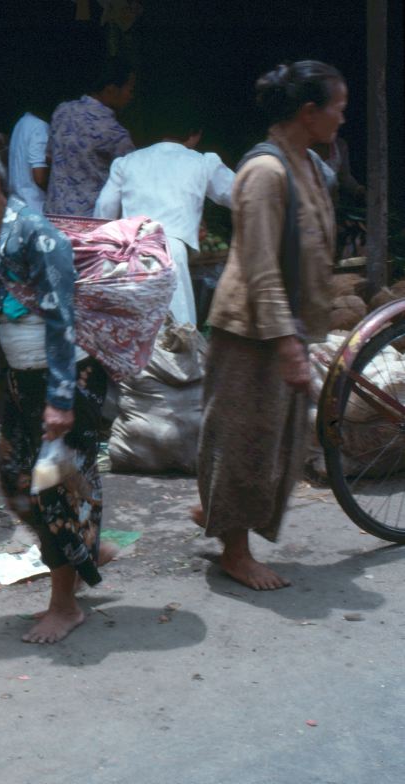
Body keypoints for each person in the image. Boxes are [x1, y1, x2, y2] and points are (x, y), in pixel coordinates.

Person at [0, 135, 114, 643]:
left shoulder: (40, 237)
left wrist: (61, 401)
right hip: (19, 380)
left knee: (53, 490)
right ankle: (85, 546)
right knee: (17, 482)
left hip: (63, 379)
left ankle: (65, 605)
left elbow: (62, 323)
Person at [196, 60, 344, 590]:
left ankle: (216, 512)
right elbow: (259, 264)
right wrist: (287, 343)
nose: (341, 120)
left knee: (273, 438)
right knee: (245, 439)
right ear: (309, 112)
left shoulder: (303, 161)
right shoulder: (266, 171)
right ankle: (235, 551)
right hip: (253, 329)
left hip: (285, 323)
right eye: (338, 109)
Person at [93, 102, 235, 324]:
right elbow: (241, 195)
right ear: (195, 135)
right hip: (172, 254)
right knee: (175, 335)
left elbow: (104, 208)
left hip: (130, 252)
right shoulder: (202, 162)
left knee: (134, 330)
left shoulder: (126, 163)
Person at [45, 58, 136, 217]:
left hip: (53, 216)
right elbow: (133, 182)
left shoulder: (62, 111)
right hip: (89, 223)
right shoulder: (115, 133)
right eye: (130, 89)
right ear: (111, 89)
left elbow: (49, 157)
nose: (131, 96)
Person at [8, 109, 51, 212]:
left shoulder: (21, 123)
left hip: (17, 204)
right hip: (35, 206)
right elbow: (39, 177)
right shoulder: (40, 127)